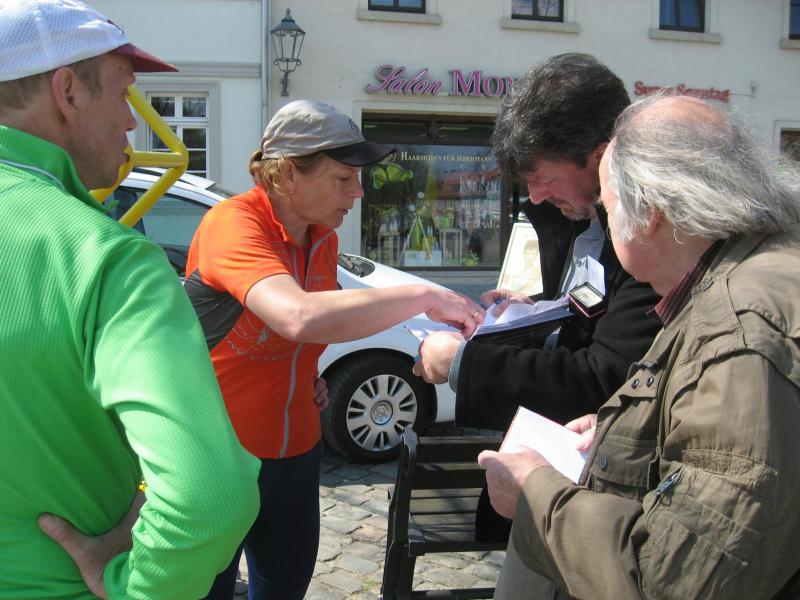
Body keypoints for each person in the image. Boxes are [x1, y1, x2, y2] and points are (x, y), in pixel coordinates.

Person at [480, 95, 800, 599]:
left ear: (648, 213)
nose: (606, 224)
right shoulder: (746, 274)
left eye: (608, 208)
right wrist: (621, 429)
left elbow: (673, 580)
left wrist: (535, 493)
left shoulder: (738, 331)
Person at [0, 0, 260, 598]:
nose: (129, 124)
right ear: (67, 91)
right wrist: (131, 585)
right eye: (123, 95)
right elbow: (209, 498)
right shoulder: (104, 256)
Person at [183, 99, 484, 600]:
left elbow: (325, 322)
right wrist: (424, 296)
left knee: (285, 588)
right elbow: (298, 315)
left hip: (296, 454)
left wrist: (303, 373)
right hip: (221, 457)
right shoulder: (233, 223)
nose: (358, 192)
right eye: (343, 178)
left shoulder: (322, 238)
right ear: (286, 174)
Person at [413, 54, 661, 431]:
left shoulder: (652, 239)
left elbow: (607, 380)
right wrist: (536, 314)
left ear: (601, 157)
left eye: (544, 179)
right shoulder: (575, 217)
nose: (536, 196)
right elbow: (592, 315)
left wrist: (462, 362)